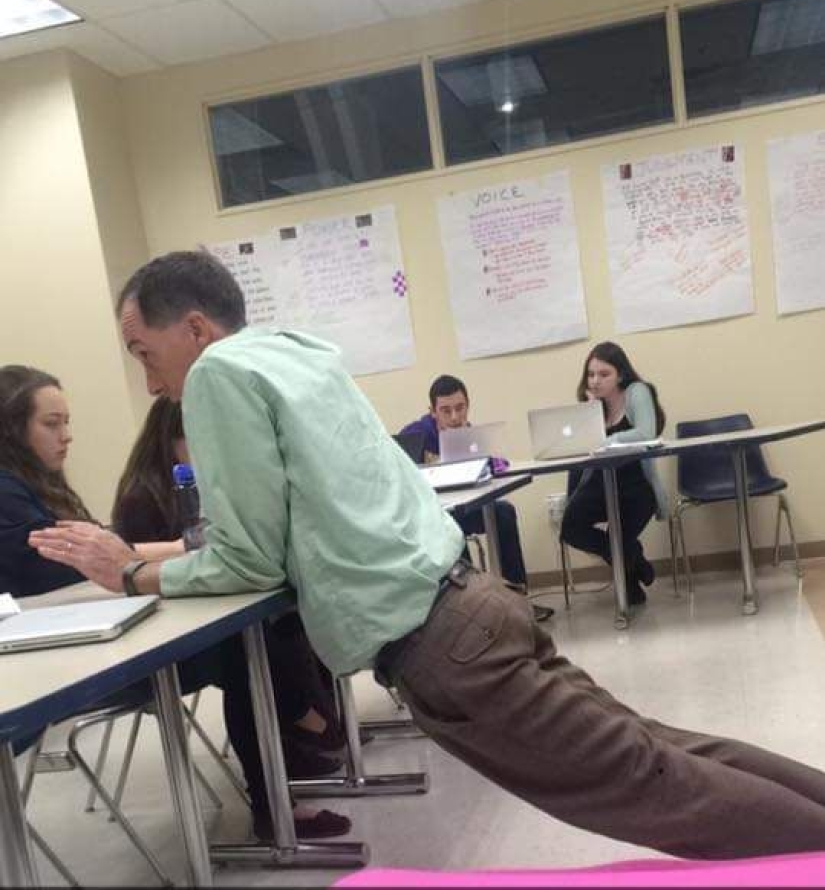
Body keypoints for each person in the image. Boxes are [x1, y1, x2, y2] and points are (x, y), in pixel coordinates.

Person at [30, 251, 825, 860]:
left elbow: (248, 560)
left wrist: (128, 571)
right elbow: (290, 520)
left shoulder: (216, 376)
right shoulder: (294, 351)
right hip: (473, 602)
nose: (149, 379)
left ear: (196, 329)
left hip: (442, 644)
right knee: (660, 753)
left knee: (656, 785)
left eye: (143, 351)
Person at [0, 365, 349, 840]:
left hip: (94, 636)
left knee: (257, 632)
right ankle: (295, 756)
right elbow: (64, 562)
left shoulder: (39, 486)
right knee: (243, 647)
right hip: (67, 667)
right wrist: (174, 551)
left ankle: (299, 744)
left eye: (66, 422)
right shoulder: (9, 490)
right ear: (12, 428)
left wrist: (134, 555)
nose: (67, 436)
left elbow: (97, 555)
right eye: (51, 423)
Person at [112, 394, 346, 778]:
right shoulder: (144, 496)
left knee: (293, 619)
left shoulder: (203, 481)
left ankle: (312, 730)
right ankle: (301, 738)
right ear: (171, 438)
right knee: (249, 650)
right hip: (170, 635)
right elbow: (138, 562)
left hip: (208, 608)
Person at [399, 375, 553, 622]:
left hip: (466, 507)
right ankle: (470, 610)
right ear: (432, 411)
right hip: (433, 517)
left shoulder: (471, 435)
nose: (455, 417)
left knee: (503, 512)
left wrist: (490, 462)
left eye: (460, 408)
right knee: (451, 529)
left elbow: (498, 463)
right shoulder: (416, 434)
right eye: (446, 410)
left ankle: (518, 599)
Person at [560, 342, 668, 607]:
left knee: (618, 539)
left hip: (636, 487)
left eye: (604, 374)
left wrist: (609, 439)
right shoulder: (593, 405)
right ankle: (638, 561)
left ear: (620, 374)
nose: (595, 381)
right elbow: (582, 449)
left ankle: (630, 583)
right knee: (570, 528)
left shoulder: (637, 392)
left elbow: (646, 432)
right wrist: (589, 414)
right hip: (599, 486)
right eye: (591, 374)